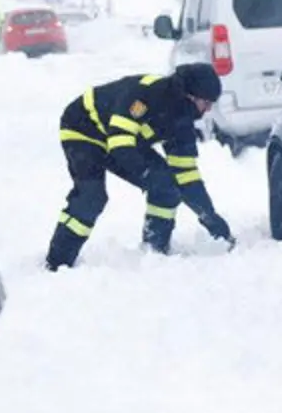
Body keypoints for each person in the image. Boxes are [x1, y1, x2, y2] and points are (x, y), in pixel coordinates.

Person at [45, 62, 236, 270]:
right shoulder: (146, 95)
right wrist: (146, 174)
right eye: (205, 102)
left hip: (124, 141)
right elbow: (120, 145)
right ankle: (57, 262)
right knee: (92, 196)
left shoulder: (182, 121)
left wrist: (209, 215)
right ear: (189, 95)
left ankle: (155, 250)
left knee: (167, 186)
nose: (208, 110)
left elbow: (186, 176)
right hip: (83, 127)